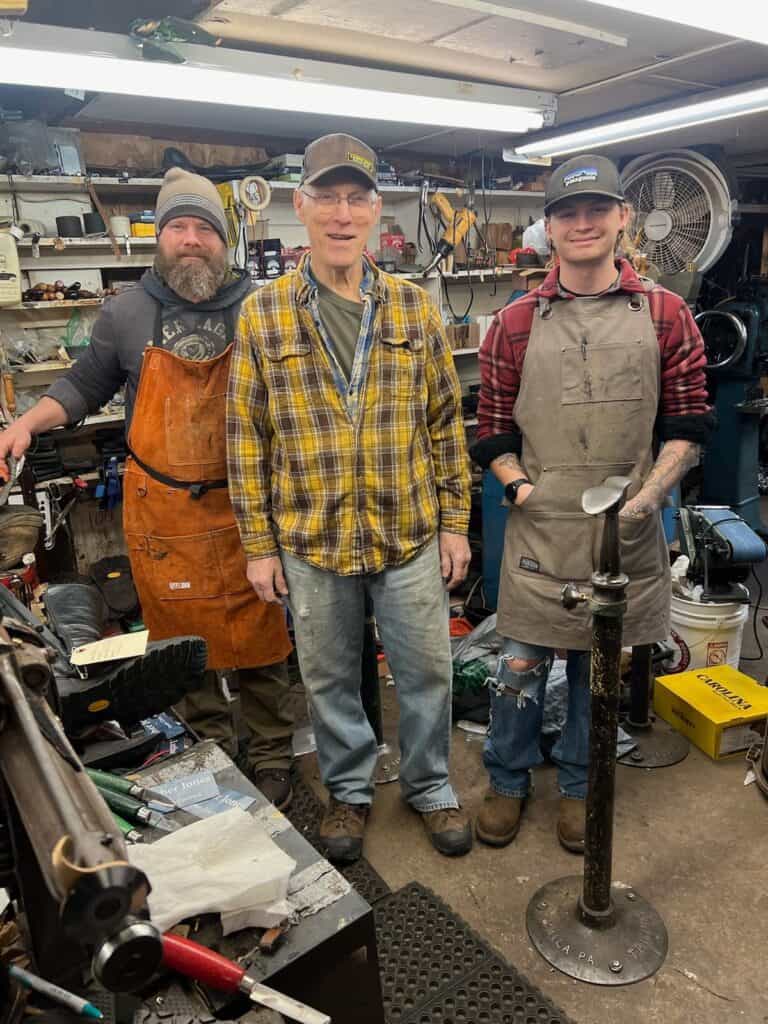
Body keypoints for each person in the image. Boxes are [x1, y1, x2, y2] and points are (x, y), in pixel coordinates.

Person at [0, 169, 295, 808]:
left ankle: (274, 754)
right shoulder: (126, 311)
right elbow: (83, 386)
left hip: (248, 506)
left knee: (263, 641)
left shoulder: (263, 306)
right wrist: (25, 423)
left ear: (225, 240)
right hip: (163, 511)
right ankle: (214, 748)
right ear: (159, 238)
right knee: (181, 646)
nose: (191, 240)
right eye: (177, 227)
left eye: (204, 228)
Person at [227, 132, 473, 863]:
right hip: (311, 539)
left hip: (407, 531)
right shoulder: (264, 313)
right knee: (330, 679)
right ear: (300, 206)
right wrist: (258, 546)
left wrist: (455, 524)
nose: (342, 214)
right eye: (327, 198)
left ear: (374, 210)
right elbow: (246, 438)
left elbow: (444, 422)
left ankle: (430, 785)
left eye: (356, 199)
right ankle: (349, 791)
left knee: (427, 672)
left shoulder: (414, 309)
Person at [470, 154, 714, 852]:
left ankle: (581, 786)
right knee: (519, 667)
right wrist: (520, 487)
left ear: (623, 217)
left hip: (626, 522)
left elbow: (689, 423)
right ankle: (508, 779)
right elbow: (492, 430)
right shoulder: (515, 321)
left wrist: (649, 497)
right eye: (568, 213)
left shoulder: (665, 314)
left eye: (597, 210)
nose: (583, 224)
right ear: (549, 228)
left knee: (597, 672)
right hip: (539, 525)